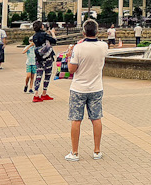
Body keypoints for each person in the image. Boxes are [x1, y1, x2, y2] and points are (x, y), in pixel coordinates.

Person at [65, 19, 108, 162]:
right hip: (96, 87)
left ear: (83, 32)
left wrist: (69, 55)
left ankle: (75, 152)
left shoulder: (78, 48)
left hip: (78, 88)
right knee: (96, 118)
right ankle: (97, 151)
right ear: (97, 31)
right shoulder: (103, 46)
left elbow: (72, 69)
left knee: (76, 120)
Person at [30, 21, 58, 103]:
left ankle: (36, 94)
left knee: (39, 75)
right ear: (41, 26)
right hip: (47, 57)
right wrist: (52, 33)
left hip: (38, 58)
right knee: (47, 75)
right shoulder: (44, 34)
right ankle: (44, 93)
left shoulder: (34, 36)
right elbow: (54, 41)